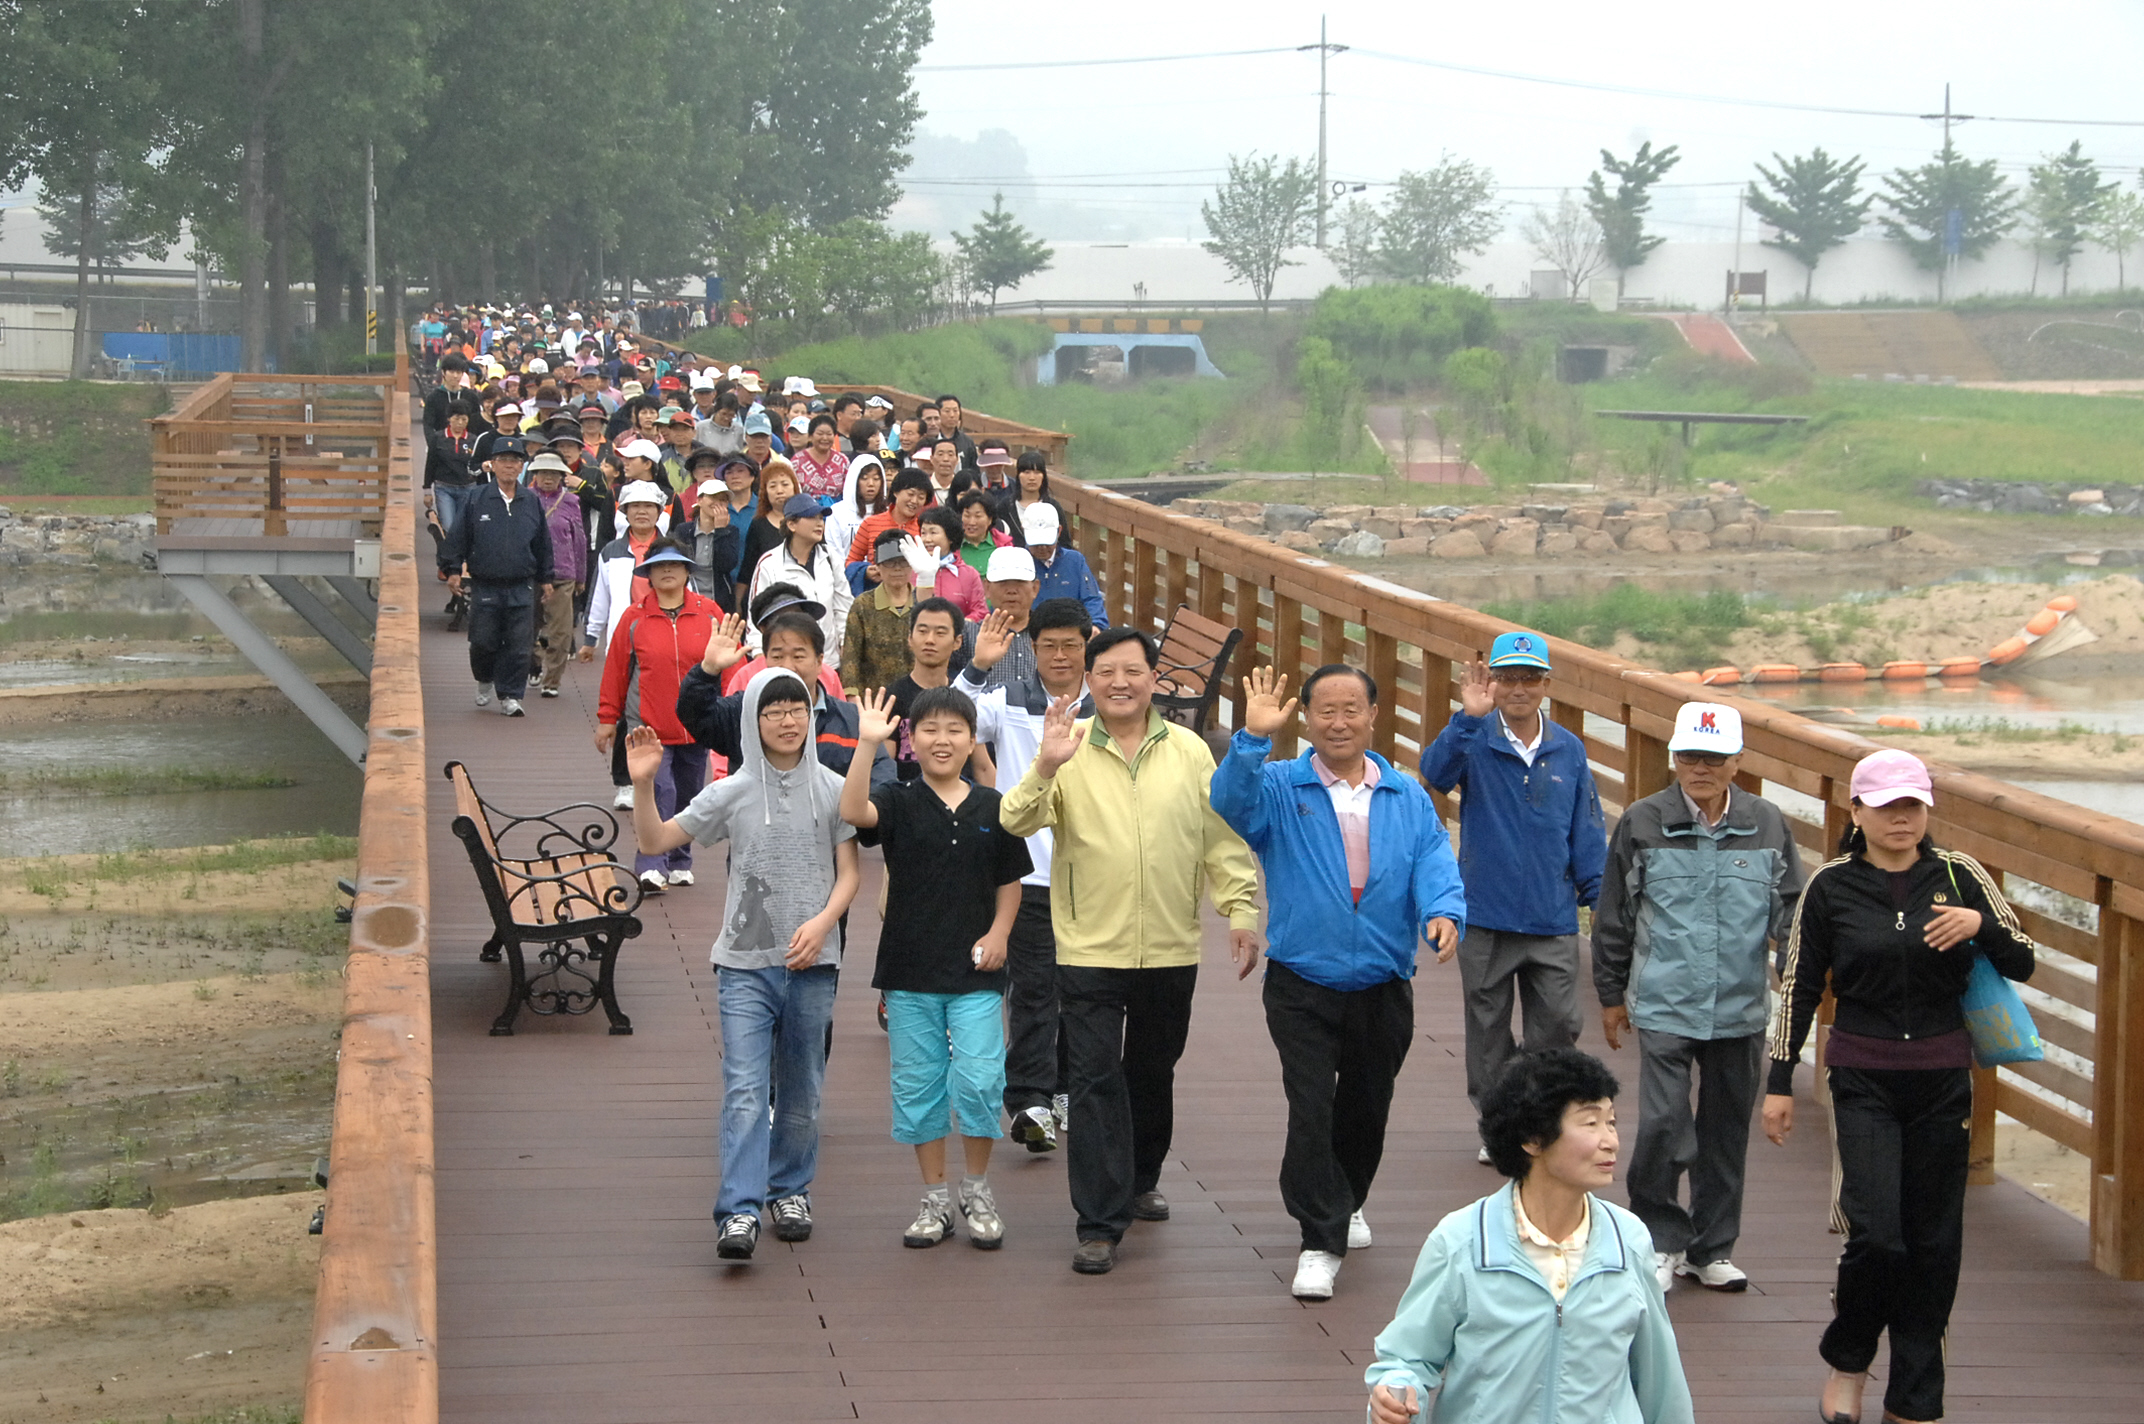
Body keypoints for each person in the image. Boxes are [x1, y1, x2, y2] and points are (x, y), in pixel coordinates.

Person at [1763, 749, 2035, 1424]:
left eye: (1911, 806)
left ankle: (1915, 1399)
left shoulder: (1957, 874)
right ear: (1856, 811)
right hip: (1862, 1076)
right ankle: (1849, 1360)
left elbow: (2023, 959)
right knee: (1880, 1235)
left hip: (1943, 1078)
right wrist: (1779, 1081)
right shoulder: (1831, 887)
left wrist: (1981, 927)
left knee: (1935, 1244)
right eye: (1885, 807)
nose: (1900, 819)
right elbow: (1798, 985)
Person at [1000, 626, 1261, 1276]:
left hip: (1171, 946)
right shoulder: (1068, 746)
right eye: (1107, 671)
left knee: (1152, 1071)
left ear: (1153, 679)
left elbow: (1220, 837)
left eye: (1133, 671)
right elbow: (1015, 820)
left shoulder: (1193, 753)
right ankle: (1098, 1221)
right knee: (1092, 1079)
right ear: (1089, 681)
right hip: (1089, 945)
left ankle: (1142, 1178)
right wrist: (1045, 765)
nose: (1120, 682)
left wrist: (1241, 908)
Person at [1211, 664, 1467, 1302]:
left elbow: (1434, 858)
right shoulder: (1277, 785)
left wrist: (1443, 911)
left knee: (1365, 1105)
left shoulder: (1405, 794)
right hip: (1302, 979)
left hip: (1383, 979)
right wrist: (1250, 740)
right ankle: (1317, 1239)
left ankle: (1346, 1198)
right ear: (1306, 717)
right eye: (1325, 710)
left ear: (1373, 714)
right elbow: (1228, 803)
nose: (1339, 721)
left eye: (1351, 708)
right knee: (1311, 1105)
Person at [623, 675, 861, 1263]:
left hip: (812, 962)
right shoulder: (731, 789)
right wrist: (646, 782)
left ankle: (791, 1191)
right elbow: (655, 837)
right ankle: (738, 1211)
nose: (787, 721)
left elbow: (850, 873)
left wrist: (822, 922)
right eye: (773, 711)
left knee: (803, 1090)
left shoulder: (833, 789)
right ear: (752, 720)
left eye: (796, 710)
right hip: (743, 965)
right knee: (747, 1090)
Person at [1593, 701, 1804, 1294]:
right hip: (1663, 999)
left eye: (1713, 757)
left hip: (1740, 1005)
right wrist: (1610, 992)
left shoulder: (1767, 823)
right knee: (1663, 1122)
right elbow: (1614, 914)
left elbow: (1792, 910)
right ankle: (1657, 1239)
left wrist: (1796, 977)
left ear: (1738, 761)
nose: (1700, 768)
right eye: (1689, 755)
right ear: (1673, 757)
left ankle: (1711, 1247)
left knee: (1725, 1127)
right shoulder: (1642, 820)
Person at [1364, 1048, 1694, 1424]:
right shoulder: (1462, 1242)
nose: (1611, 1141)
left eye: (1612, 1122)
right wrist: (1396, 1392)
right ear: (1532, 1140)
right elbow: (1408, 1357)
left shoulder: (1629, 1240)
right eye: (1590, 1124)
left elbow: (1660, 1379)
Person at [841, 686, 1031, 1250]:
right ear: (911, 739)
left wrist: (999, 934)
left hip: (976, 972)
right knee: (919, 1085)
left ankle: (977, 1189)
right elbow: (854, 813)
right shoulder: (896, 801)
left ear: (972, 739)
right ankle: (934, 1199)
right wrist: (864, 743)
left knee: (978, 1079)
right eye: (929, 729)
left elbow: (1009, 883)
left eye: (955, 730)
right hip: (909, 969)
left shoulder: (993, 805)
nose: (942, 740)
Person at [1421, 631, 1607, 1146]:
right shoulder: (1474, 736)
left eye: (1528, 678)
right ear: (1491, 681)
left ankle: (1537, 1117)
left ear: (1546, 684)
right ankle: (1498, 1127)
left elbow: (1586, 830)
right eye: (1506, 678)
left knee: (1559, 1027)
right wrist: (1466, 717)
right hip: (1484, 913)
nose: (1517, 688)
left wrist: (1600, 902)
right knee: (1488, 1032)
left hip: (1552, 918)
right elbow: (1434, 774)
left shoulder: (1568, 748)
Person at [958, 600, 1093, 1152]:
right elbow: (952, 719)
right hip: (1030, 873)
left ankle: (1066, 1087)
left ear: (1088, 646)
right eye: (1048, 645)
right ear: (1030, 648)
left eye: (1071, 645)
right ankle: (1030, 1099)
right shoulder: (1007, 698)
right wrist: (977, 666)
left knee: (1082, 988)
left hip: (1091, 875)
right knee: (1035, 989)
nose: (1059, 656)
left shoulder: (1106, 705)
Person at [597, 542, 720, 892]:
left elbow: (729, 664)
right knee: (658, 790)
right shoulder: (634, 617)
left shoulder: (710, 613)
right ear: (648, 573)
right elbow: (617, 671)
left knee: (690, 794)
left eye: (675, 565)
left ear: (687, 572)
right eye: (659, 565)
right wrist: (608, 719)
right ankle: (651, 863)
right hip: (648, 726)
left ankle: (680, 859)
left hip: (698, 725)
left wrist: (733, 711)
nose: (667, 571)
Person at [676, 608, 895, 790]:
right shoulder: (742, 711)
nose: (788, 666)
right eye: (778, 656)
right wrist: (708, 670)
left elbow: (880, 785)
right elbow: (695, 716)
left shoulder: (850, 721)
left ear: (820, 662)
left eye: (798, 656)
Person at [436, 435, 556, 718]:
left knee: (519, 646)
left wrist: (546, 578)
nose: (509, 466)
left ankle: (511, 696)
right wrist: (453, 570)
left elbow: (542, 543)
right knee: (483, 641)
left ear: (522, 467)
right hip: (486, 583)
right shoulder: (476, 499)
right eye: (503, 460)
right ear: (492, 464)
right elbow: (458, 539)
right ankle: (484, 678)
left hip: (521, 585)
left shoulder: (531, 501)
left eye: (515, 461)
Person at [748, 492, 852, 653]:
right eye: (811, 517)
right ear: (791, 524)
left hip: (829, 661)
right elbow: (755, 616)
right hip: (787, 659)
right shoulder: (769, 563)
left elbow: (843, 607)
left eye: (820, 518)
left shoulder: (831, 557)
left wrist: (846, 644)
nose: (819, 523)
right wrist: (759, 654)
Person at [885, 596, 969, 781]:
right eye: (922, 631)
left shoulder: (964, 696)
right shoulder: (891, 698)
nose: (930, 640)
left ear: (957, 641)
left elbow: (982, 767)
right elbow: (883, 766)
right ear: (910, 638)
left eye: (940, 633)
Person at [528, 453, 590, 699]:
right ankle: (534, 663)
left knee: (562, 632)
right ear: (534, 475)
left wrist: (581, 576)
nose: (548, 478)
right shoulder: (524, 498)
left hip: (563, 573)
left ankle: (551, 681)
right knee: (525, 629)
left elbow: (579, 540)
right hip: (530, 574)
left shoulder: (571, 501)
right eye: (543, 473)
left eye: (553, 474)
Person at [841, 529, 921, 696]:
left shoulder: (923, 602)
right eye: (890, 562)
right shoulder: (863, 605)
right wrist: (853, 699)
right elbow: (851, 657)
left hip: (920, 698)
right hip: (874, 700)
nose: (897, 568)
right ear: (877, 566)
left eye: (903, 562)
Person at [1021, 502, 1107, 628]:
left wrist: (1096, 625)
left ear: (1059, 531)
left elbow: (1092, 598)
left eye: (1047, 542)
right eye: (1036, 543)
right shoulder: (1017, 563)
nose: (1042, 548)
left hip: (1072, 630)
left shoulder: (1075, 561)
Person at [736, 458, 800, 606]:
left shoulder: (806, 520)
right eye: (773, 486)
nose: (779, 491)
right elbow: (748, 568)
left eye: (785, 484)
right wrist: (738, 605)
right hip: (767, 597)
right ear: (765, 492)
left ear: (795, 487)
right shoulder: (758, 524)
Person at [916, 507, 986, 622]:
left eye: (933, 532)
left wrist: (958, 625)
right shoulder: (913, 570)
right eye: (923, 533)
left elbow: (980, 611)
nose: (927, 539)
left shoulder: (969, 574)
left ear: (950, 537)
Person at [826, 453, 888, 564]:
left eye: (876, 479)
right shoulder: (837, 512)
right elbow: (834, 551)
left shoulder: (888, 511)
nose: (871, 484)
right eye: (864, 479)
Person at [793, 413, 850, 501]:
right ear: (811, 436)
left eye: (829, 434)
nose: (825, 438)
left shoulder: (842, 461)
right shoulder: (797, 461)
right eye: (820, 434)